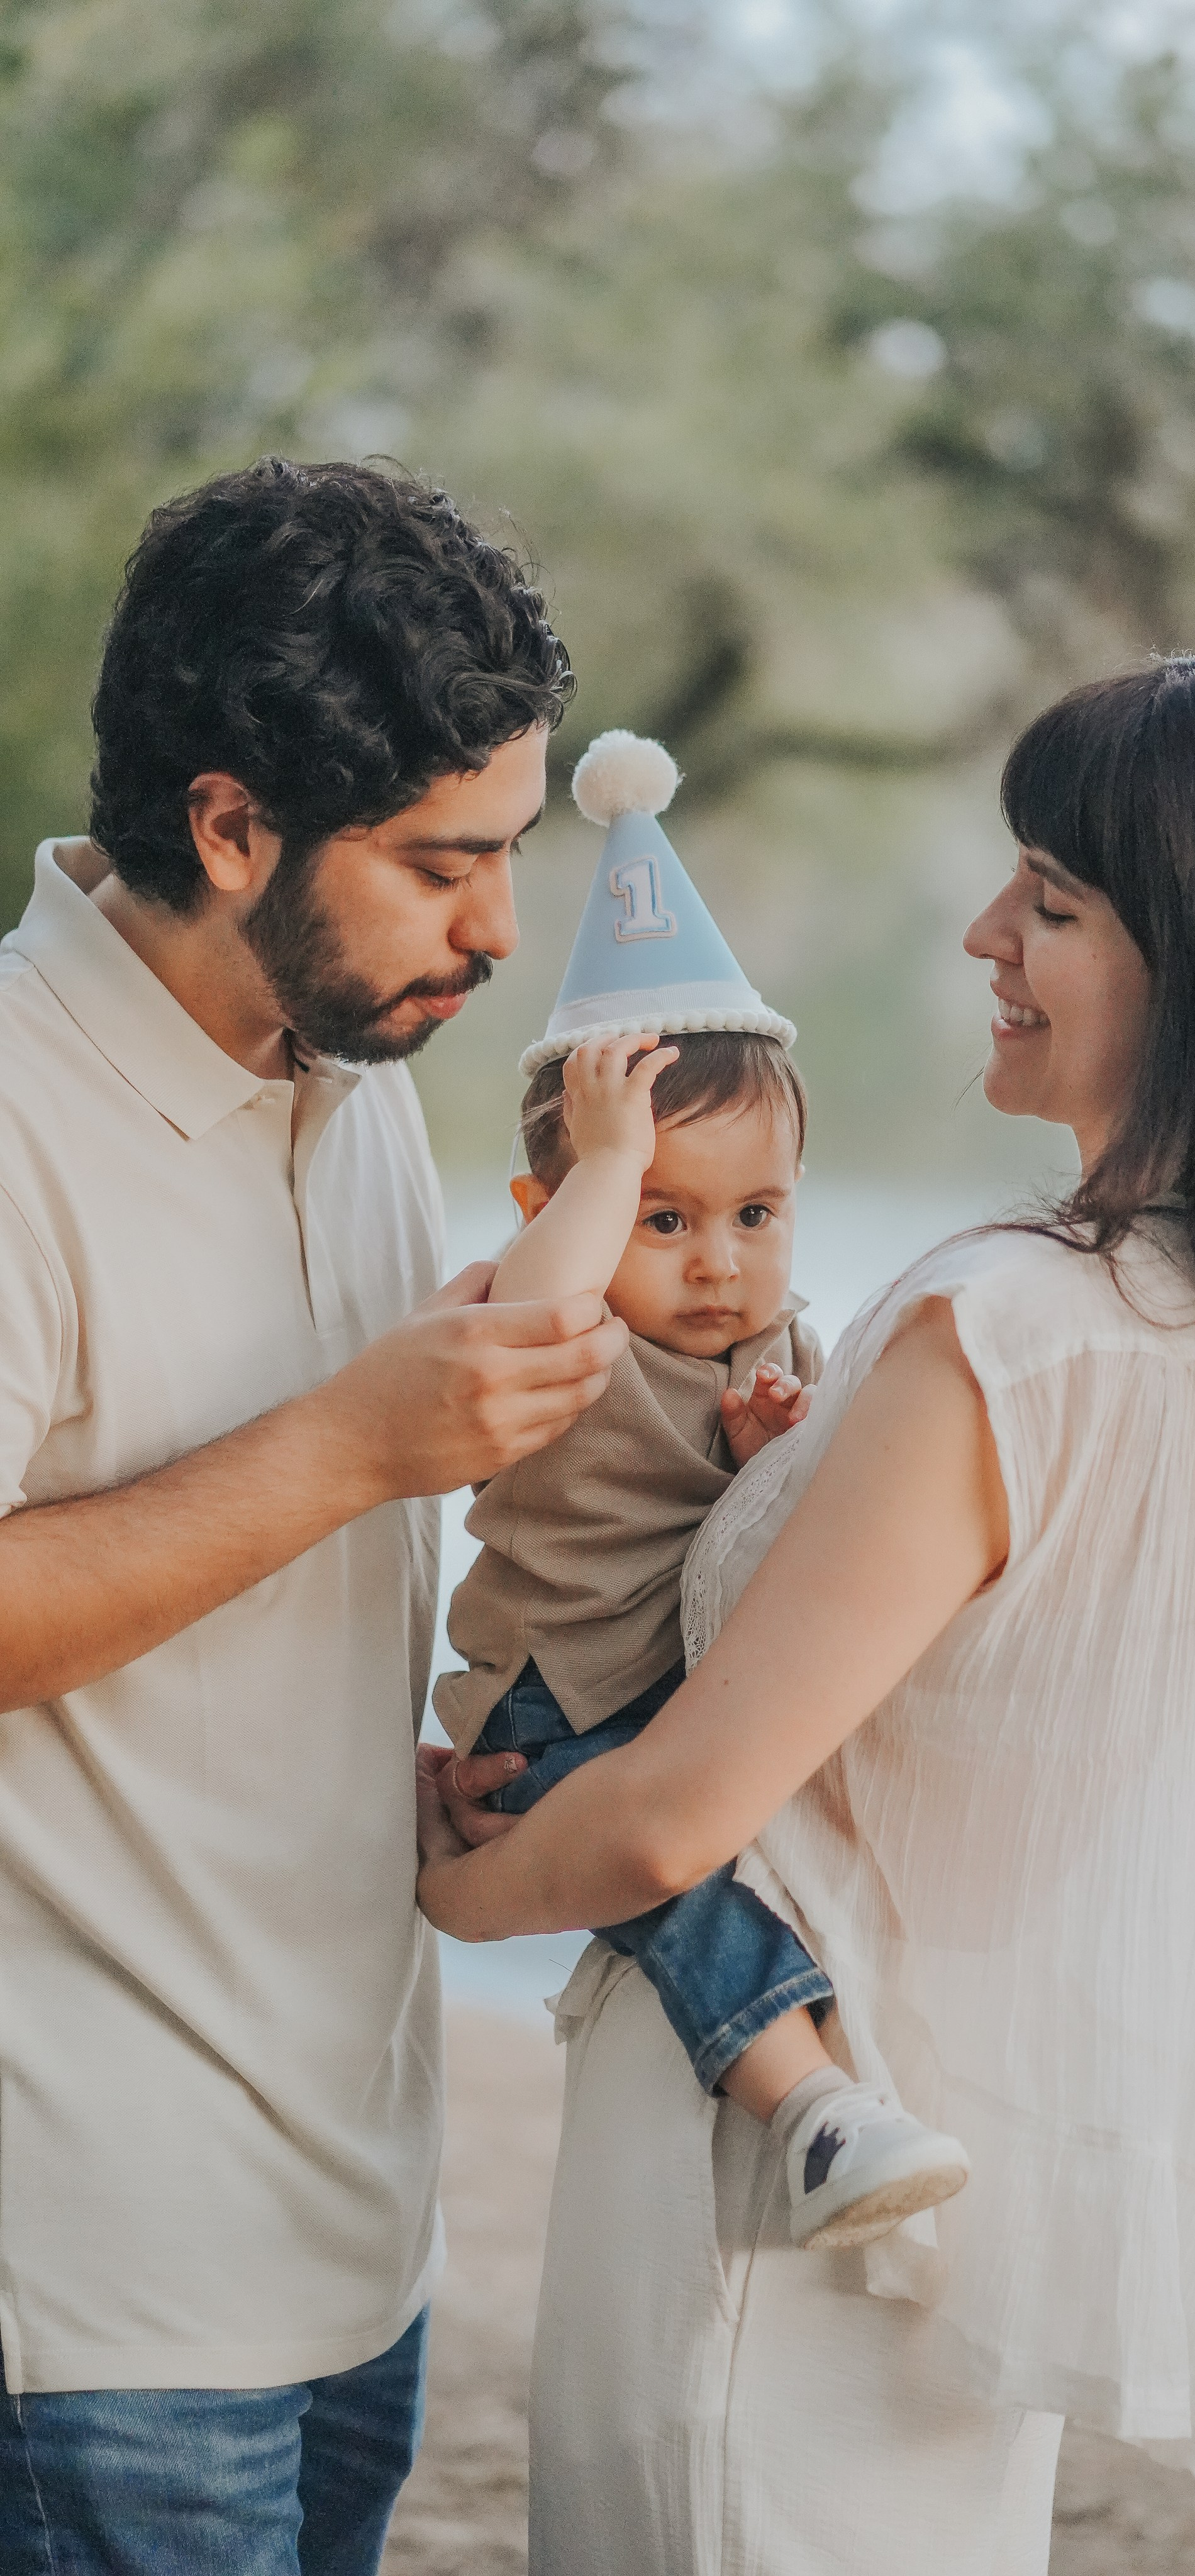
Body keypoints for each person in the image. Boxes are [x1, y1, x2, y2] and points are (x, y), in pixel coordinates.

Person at [418, 652, 1195, 2575]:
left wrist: (455, 1878)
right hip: (964, 2213)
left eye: (1050, 903)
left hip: (760, 2226)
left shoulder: (1011, 1331)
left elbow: (658, 1823)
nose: (985, 930)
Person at [0, 458, 630, 2576]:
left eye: (509, 851)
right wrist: (358, 1445)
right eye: (440, 862)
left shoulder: (350, 1066)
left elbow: (277, 1541)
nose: (496, 929)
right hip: (94, 2276)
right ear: (229, 821)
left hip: (358, 2220)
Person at [433, 730, 969, 2249]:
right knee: (675, 1896)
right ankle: (809, 2107)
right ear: (570, 1207)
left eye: (755, 1212)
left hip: (687, 1700)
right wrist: (602, 1174)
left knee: (723, 1860)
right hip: (554, 1704)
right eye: (663, 1214)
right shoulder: (567, 1314)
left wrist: (770, 1458)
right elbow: (522, 1319)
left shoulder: (775, 1342)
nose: (717, 1257)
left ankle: (848, 2088)